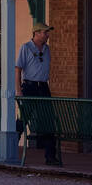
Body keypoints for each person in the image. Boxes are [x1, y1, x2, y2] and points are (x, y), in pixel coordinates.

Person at [15, 20, 62, 166]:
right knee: (22, 120)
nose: (47, 35)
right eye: (45, 32)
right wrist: (19, 91)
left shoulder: (47, 49)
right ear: (36, 33)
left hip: (43, 87)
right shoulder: (26, 48)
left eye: (48, 32)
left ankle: (50, 157)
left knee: (48, 121)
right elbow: (18, 69)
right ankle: (10, 150)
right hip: (29, 86)